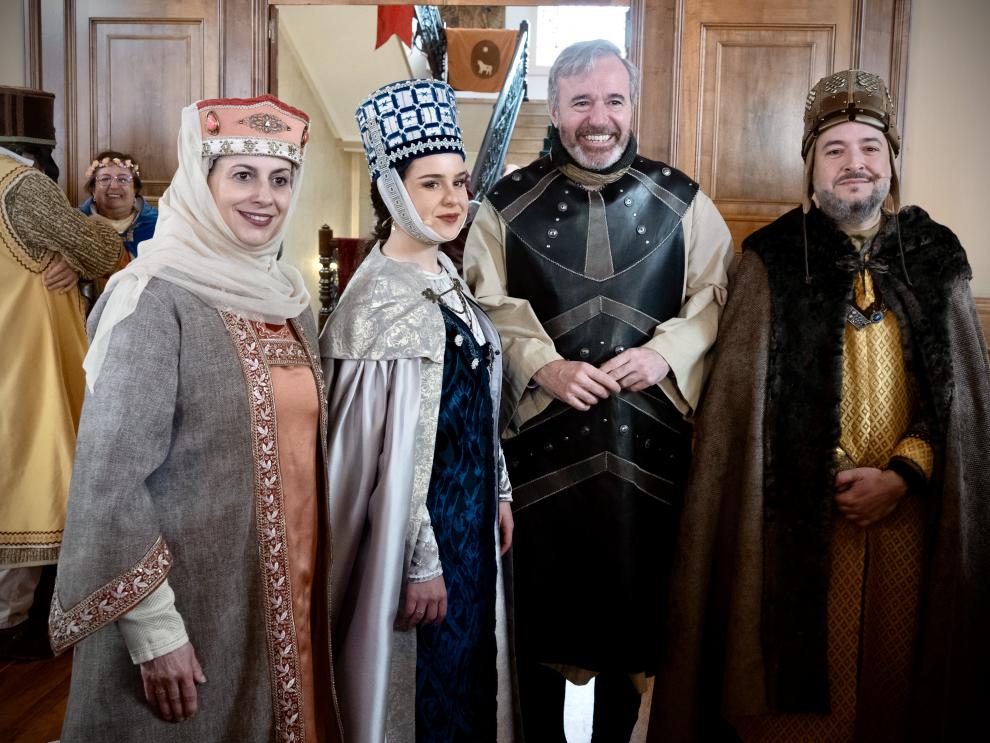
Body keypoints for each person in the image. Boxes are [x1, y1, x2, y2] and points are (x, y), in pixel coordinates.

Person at [650, 70, 990, 742]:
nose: (854, 163)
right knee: (800, 710)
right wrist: (827, 469)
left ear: (892, 161)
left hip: (910, 522)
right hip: (795, 529)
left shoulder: (936, 256)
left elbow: (961, 408)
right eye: (835, 149)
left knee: (898, 698)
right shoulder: (770, 259)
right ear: (811, 165)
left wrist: (902, 474)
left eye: (870, 147)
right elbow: (741, 418)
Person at [463, 40, 733, 740]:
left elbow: (716, 297)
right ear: (554, 109)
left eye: (613, 99)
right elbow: (480, 302)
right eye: (581, 102)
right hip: (537, 466)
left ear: (632, 104)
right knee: (536, 639)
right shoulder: (502, 206)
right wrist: (541, 364)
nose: (599, 118)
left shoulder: (684, 202)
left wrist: (666, 354)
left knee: (636, 644)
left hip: (654, 462)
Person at [49, 94, 341, 742]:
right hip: (188, 606)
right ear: (200, 180)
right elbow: (109, 479)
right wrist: (156, 631)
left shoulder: (292, 303)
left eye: (280, 177)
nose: (264, 196)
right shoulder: (153, 298)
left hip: (276, 595)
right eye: (242, 175)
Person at [321, 78, 517, 743]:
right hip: (418, 539)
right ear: (392, 190)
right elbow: (375, 460)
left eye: (459, 182)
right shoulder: (372, 303)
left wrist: (502, 491)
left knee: (467, 680)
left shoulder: (447, 277)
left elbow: (474, 399)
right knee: (423, 689)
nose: (453, 198)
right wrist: (417, 559)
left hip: (472, 526)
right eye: (431, 184)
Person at [0, 85, 121, 660]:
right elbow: (101, 245)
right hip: (19, 366)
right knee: (28, 479)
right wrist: (80, 253)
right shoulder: (21, 186)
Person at [79, 150, 159, 259]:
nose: (114, 186)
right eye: (105, 179)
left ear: (135, 189)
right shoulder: (76, 221)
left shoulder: (159, 224)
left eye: (123, 179)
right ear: (93, 189)